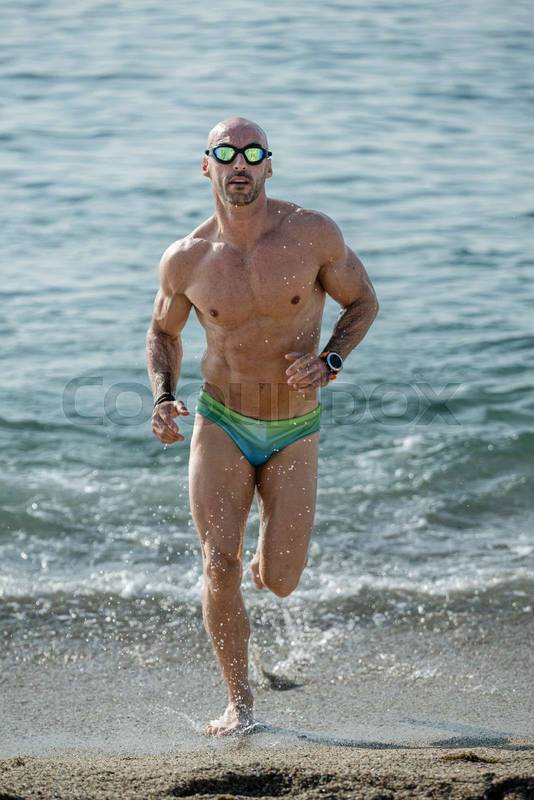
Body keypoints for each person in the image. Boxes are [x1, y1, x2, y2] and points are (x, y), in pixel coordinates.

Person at [146, 116, 379, 736]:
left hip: (294, 427)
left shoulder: (312, 234)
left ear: (269, 166)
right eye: (226, 153)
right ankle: (239, 704)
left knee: (280, 581)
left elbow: (364, 301)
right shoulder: (187, 259)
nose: (240, 164)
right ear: (207, 166)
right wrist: (163, 396)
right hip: (221, 418)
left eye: (253, 154)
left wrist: (330, 361)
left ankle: (264, 566)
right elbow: (163, 333)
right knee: (218, 564)